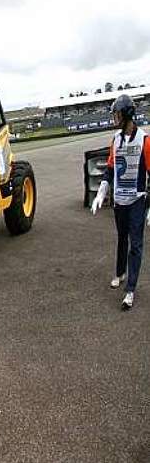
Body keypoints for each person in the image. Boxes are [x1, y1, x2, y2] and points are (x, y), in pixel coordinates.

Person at [90, 93, 150, 309]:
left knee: (136, 244)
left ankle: (130, 290)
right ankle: (120, 272)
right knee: (122, 237)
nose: (114, 119)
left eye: (117, 114)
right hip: (119, 201)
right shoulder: (116, 139)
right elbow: (110, 169)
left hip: (137, 200)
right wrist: (101, 193)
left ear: (127, 115)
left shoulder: (145, 140)